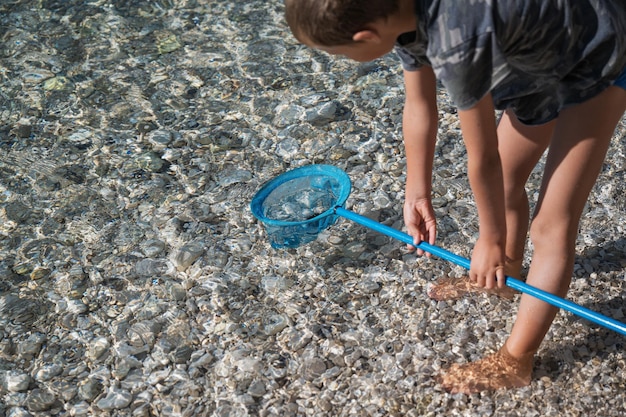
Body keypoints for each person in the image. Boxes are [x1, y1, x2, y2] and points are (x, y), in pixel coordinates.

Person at [284, 0, 626, 393]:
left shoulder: (458, 42)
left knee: (552, 223)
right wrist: (417, 192)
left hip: (598, 61)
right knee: (505, 187)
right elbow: (419, 105)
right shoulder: (403, 13)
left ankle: (517, 360)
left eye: (340, 54)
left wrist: (490, 238)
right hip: (542, 56)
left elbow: (483, 158)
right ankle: (505, 274)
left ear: (366, 36)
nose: (344, 59)